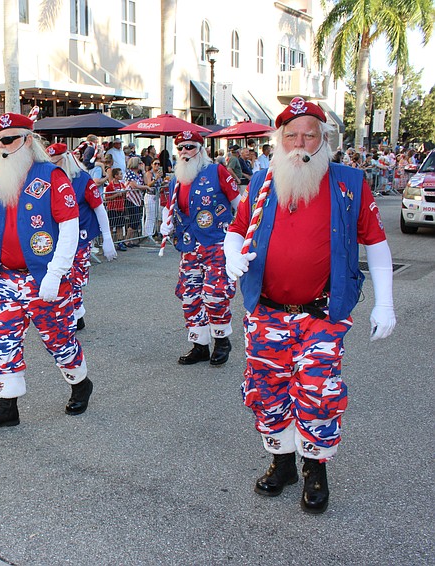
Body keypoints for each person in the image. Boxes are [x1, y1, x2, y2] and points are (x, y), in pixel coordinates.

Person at [224, 97, 396, 515]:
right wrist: (232, 254)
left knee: (319, 395)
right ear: (279, 139)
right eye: (292, 134)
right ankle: (282, 462)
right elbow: (236, 229)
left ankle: (315, 469)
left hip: (320, 316)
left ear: (324, 140)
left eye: (310, 134)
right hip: (266, 313)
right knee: (268, 392)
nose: (301, 142)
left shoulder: (349, 184)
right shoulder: (262, 184)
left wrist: (385, 303)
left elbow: (375, 243)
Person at [0, 113, 91, 431]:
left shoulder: (52, 176)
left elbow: (70, 227)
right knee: (4, 339)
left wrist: (56, 272)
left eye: (10, 139)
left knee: (59, 339)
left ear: (28, 140)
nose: (3, 147)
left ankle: (80, 383)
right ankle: (7, 406)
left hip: (44, 276)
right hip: (7, 277)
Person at [160, 131, 240, 366]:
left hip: (216, 242)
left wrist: (240, 238)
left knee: (215, 293)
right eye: (181, 148)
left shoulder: (217, 171)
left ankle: (222, 340)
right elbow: (170, 207)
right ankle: (200, 344)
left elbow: (239, 205)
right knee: (189, 296)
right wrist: (166, 222)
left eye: (190, 147)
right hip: (189, 244)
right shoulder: (177, 179)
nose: (185, 153)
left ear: (200, 149)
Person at [47, 142, 116, 331]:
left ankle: (75, 315)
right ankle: (72, 312)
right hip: (59, 237)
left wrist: (107, 238)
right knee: (61, 276)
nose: (53, 166)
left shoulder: (82, 179)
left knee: (75, 278)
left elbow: (99, 208)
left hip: (81, 236)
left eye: (57, 161)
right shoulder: (49, 179)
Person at [104, 167, 128, 251]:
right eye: (120, 174)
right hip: (112, 208)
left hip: (120, 208)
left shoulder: (122, 184)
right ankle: (109, 241)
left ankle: (120, 241)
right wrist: (116, 195)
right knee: (111, 225)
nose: (122, 175)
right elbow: (106, 197)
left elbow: (125, 192)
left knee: (120, 226)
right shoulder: (110, 186)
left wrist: (124, 192)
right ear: (116, 175)